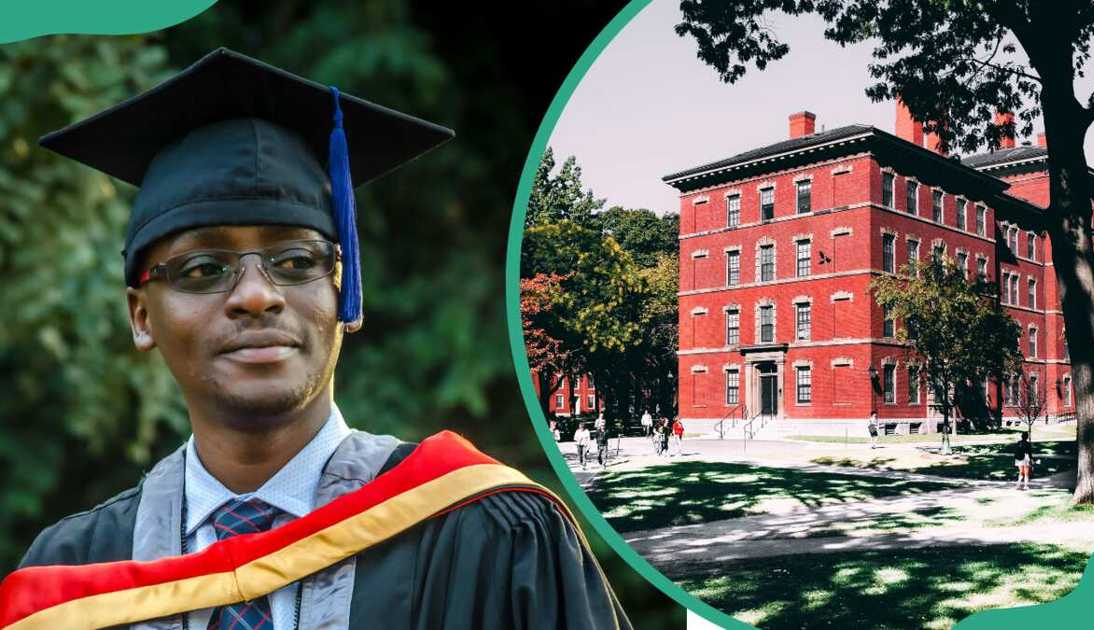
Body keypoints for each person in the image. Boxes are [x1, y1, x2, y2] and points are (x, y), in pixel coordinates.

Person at [1, 48, 631, 630]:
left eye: (297, 262)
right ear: (141, 316)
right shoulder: (70, 579)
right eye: (202, 270)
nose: (256, 294)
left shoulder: (485, 535)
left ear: (344, 289)